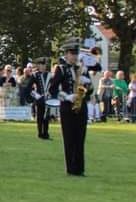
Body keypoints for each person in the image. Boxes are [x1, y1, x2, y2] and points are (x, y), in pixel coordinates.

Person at [49, 39, 91, 176]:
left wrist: (88, 85)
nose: (75, 56)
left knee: (80, 138)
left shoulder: (82, 69)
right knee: (69, 138)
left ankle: (80, 168)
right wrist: (67, 97)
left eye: (76, 54)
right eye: (72, 54)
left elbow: (90, 90)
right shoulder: (60, 69)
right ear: (66, 54)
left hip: (81, 106)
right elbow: (52, 90)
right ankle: (71, 169)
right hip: (67, 107)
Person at [31, 57, 52, 140]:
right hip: (39, 99)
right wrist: (37, 96)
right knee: (40, 117)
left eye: (44, 65)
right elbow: (29, 88)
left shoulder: (50, 75)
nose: (43, 66)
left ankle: (46, 133)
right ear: (38, 66)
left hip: (48, 99)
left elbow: (54, 87)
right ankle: (40, 133)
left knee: (46, 117)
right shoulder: (35, 75)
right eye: (41, 65)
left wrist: (51, 94)